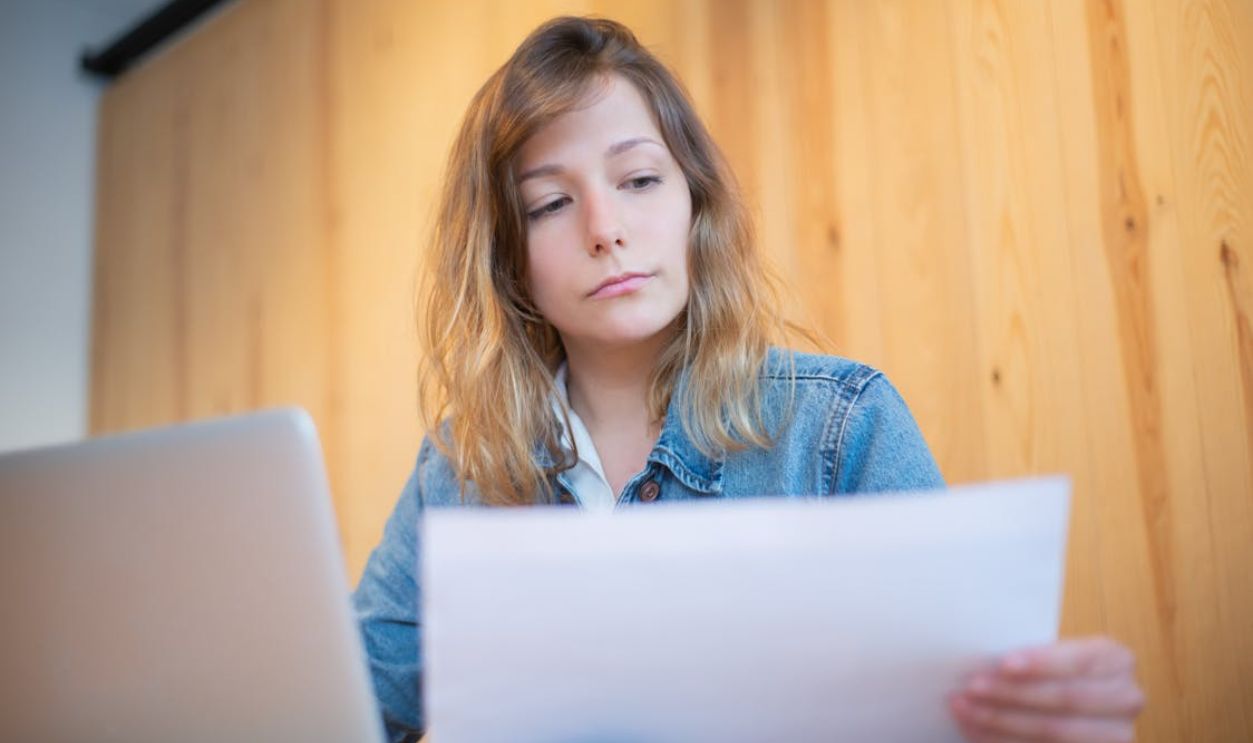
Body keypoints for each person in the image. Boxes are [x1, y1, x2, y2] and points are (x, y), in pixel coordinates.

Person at [353, 15, 1145, 743]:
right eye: (551, 203)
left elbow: (963, 707)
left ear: (695, 204)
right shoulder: (460, 467)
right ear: (507, 259)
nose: (606, 229)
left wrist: (1043, 712)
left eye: (639, 181)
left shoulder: (841, 425)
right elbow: (345, 708)